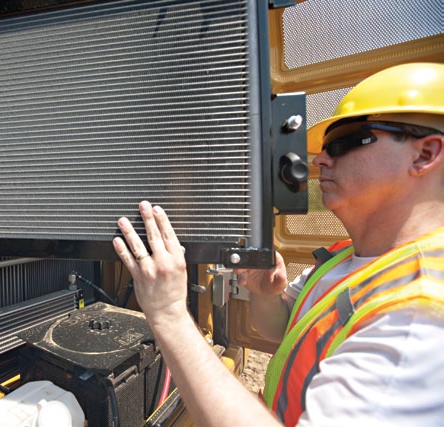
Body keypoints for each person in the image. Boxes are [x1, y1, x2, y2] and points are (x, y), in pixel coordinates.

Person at [112, 62, 444, 426]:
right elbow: (284, 332)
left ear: (425, 154)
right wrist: (265, 294)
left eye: (345, 141)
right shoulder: (346, 258)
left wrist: (169, 313)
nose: (320, 160)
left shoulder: (420, 317)